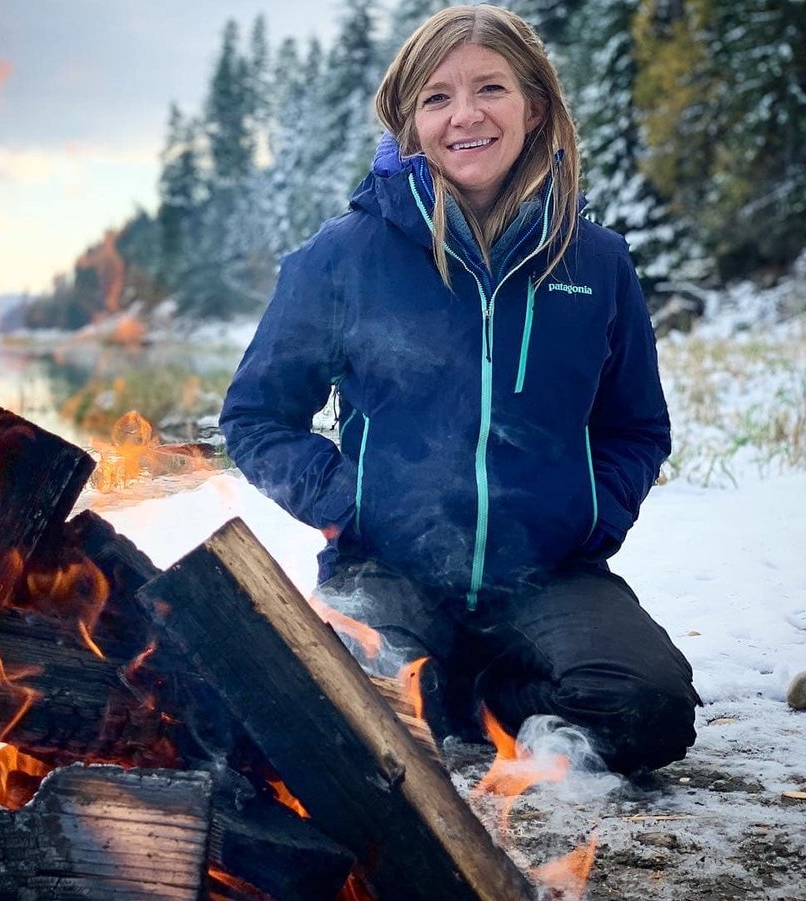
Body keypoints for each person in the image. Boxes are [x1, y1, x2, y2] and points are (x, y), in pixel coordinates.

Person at [219, 3, 700, 774]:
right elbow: (255, 418)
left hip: (546, 576)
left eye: (490, 89)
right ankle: (441, 685)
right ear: (408, 120)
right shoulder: (343, 256)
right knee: (317, 714)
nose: (464, 115)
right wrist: (354, 504)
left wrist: (590, 515)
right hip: (386, 572)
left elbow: (636, 427)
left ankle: (475, 688)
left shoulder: (596, 262)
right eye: (437, 97)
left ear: (534, 105)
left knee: (650, 710)